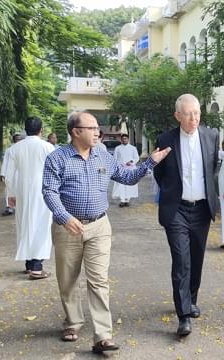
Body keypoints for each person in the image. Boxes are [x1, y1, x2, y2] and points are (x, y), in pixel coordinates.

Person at [42, 111, 171, 354]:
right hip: (68, 227)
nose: (97, 132)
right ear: (76, 131)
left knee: (99, 280)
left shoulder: (103, 154)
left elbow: (127, 177)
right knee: (67, 279)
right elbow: (49, 191)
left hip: (100, 226)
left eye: (97, 128)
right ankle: (72, 322)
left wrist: (151, 161)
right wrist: (64, 217)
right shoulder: (57, 158)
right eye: (91, 128)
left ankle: (103, 335)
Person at [153, 94, 219, 336]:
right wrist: (173, 194)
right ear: (177, 115)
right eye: (188, 114)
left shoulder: (211, 136)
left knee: (196, 257)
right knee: (181, 260)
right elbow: (159, 174)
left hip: (201, 209)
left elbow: (212, 169)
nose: (194, 118)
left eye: (197, 113)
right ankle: (183, 316)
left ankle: (191, 299)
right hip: (177, 210)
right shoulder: (165, 139)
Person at [4, 118, 55, 279]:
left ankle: (28, 264)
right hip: (43, 191)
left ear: (25, 130)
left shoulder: (14, 149)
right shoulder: (48, 147)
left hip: (22, 191)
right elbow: (55, 172)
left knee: (25, 224)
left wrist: (11, 195)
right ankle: (37, 267)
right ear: (41, 130)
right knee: (41, 225)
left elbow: (9, 176)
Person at [111, 134, 140, 207]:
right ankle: (122, 200)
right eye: (123, 139)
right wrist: (119, 165)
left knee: (129, 185)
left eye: (126, 139)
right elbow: (115, 159)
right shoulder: (117, 148)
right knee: (121, 185)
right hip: (121, 169)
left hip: (131, 169)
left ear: (128, 139)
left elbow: (136, 158)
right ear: (121, 140)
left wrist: (131, 162)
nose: (124, 140)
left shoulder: (133, 148)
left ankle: (127, 200)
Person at [0, 133, 23, 216]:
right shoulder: (9, 150)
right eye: (17, 139)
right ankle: (9, 207)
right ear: (14, 140)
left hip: (21, 174)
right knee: (9, 190)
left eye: (20, 139)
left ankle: (19, 207)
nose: (19, 140)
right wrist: (2, 174)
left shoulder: (23, 149)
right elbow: (5, 162)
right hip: (10, 174)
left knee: (20, 190)